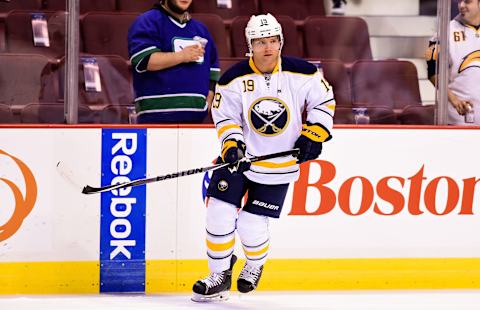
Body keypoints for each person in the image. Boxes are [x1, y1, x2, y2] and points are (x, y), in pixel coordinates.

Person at [191, 13, 336, 302]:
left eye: (272, 41)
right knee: (218, 213)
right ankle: (219, 274)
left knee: (250, 224)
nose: (268, 47)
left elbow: (323, 101)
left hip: (278, 164)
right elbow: (226, 116)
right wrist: (232, 144)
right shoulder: (234, 78)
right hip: (238, 160)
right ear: (250, 46)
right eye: (260, 42)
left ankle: (254, 264)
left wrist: (315, 133)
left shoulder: (303, 72)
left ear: (281, 41)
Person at [128, 0, 220, 123]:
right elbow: (144, 60)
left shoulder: (201, 30)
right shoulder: (148, 21)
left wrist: (207, 104)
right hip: (154, 124)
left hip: (196, 123)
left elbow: (213, 72)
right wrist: (182, 56)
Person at [425, 0, 480, 125]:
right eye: (459, 1)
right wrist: (454, 100)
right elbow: (433, 73)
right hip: (458, 119)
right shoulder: (443, 32)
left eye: (467, 1)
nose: (461, 5)